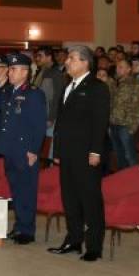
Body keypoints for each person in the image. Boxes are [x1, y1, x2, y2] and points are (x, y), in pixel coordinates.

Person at [49, 45, 110, 260]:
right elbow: (61, 121)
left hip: (86, 153)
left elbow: (100, 122)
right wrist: (56, 149)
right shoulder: (69, 86)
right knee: (70, 199)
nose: (67, 62)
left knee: (90, 199)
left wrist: (96, 151)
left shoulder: (97, 87)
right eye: (68, 59)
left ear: (85, 62)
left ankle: (94, 247)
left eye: (72, 59)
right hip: (67, 152)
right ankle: (73, 240)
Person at [0, 53, 46, 244]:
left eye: (13, 69)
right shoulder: (9, 91)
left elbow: (39, 125)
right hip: (10, 148)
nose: (9, 72)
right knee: (15, 190)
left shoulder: (34, 93)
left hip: (25, 149)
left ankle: (27, 230)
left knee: (27, 190)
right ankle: (18, 226)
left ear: (25, 72)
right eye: (10, 69)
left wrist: (34, 150)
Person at [109, 58, 139, 170]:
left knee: (129, 156)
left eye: (121, 67)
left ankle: (136, 181)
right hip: (113, 123)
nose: (117, 69)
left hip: (126, 125)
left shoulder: (136, 84)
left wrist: (132, 127)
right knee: (119, 156)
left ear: (129, 69)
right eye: (117, 67)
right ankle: (123, 181)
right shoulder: (114, 83)